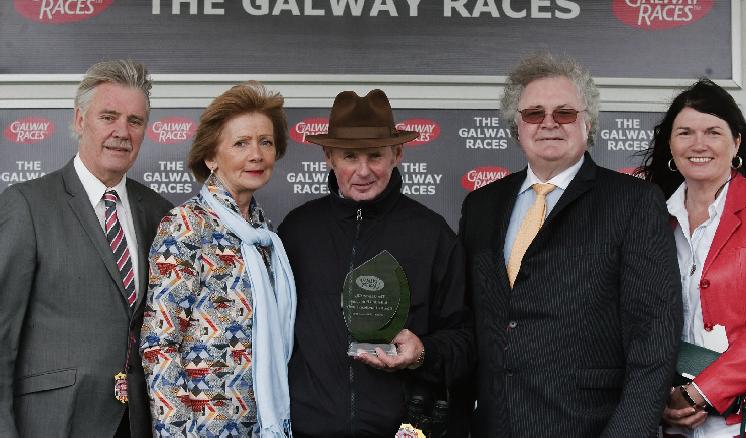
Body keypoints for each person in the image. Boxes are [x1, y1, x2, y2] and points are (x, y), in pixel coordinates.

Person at [459, 52, 683, 437]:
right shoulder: (481, 205)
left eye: (564, 113)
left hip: (590, 426)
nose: (548, 123)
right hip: (495, 424)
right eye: (534, 114)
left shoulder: (633, 202)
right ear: (517, 126)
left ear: (588, 122)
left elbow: (654, 336)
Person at [278, 89, 474, 437]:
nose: (363, 170)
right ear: (329, 157)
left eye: (375, 155)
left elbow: (466, 340)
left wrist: (422, 353)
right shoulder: (296, 231)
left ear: (397, 153)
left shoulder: (433, 235)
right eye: (350, 156)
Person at [0, 59, 173, 437]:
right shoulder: (27, 205)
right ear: (80, 121)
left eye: (135, 121)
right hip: (52, 422)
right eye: (108, 117)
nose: (121, 132)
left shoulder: (161, 213)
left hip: (138, 423)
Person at [637, 79, 746, 437]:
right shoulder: (648, 217)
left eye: (713, 132)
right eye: (685, 133)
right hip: (673, 416)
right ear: (670, 143)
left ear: (736, 141)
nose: (699, 144)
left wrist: (700, 393)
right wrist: (659, 399)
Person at [139, 81, 296, 437]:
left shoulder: (265, 237)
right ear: (211, 157)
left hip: (261, 426)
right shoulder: (186, 225)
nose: (256, 154)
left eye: (265, 142)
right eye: (241, 143)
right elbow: (159, 345)